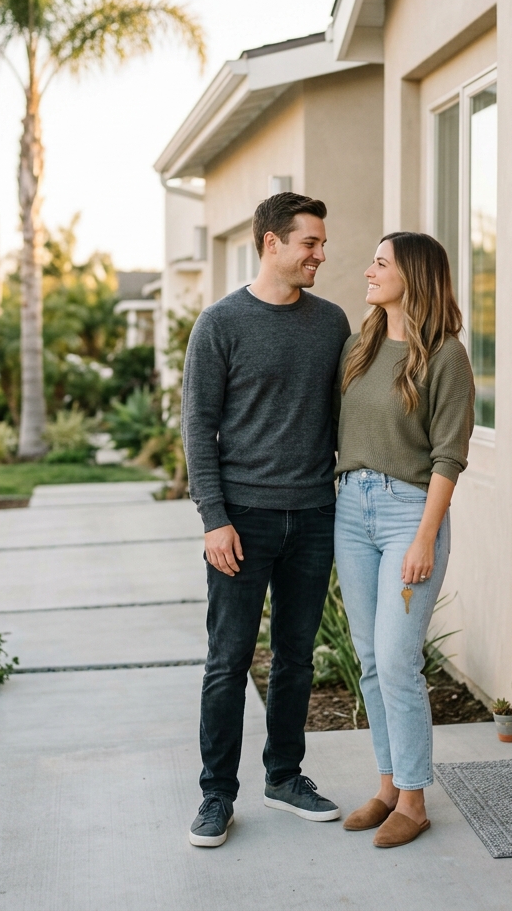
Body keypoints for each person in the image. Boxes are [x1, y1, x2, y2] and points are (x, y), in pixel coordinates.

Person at [182, 192, 351, 848]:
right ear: (272, 243)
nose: (320, 254)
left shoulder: (332, 322)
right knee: (227, 662)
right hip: (242, 521)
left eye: (322, 243)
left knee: (296, 659)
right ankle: (215, 796)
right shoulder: (220, 324)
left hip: (313, 515)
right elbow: (198, 426)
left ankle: (284, 776)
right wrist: (213, 517)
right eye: (310, 242)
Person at [333, 231, 475, 849]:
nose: (368, 271)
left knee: (396, 658)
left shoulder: (445, 356)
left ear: (412, 276)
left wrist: (424, 538)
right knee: (369, 659)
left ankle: (415, 801)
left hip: (408, 515)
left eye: (381, 263)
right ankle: (389, 785)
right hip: (350, 511)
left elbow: (448, 457)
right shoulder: (358, 348)